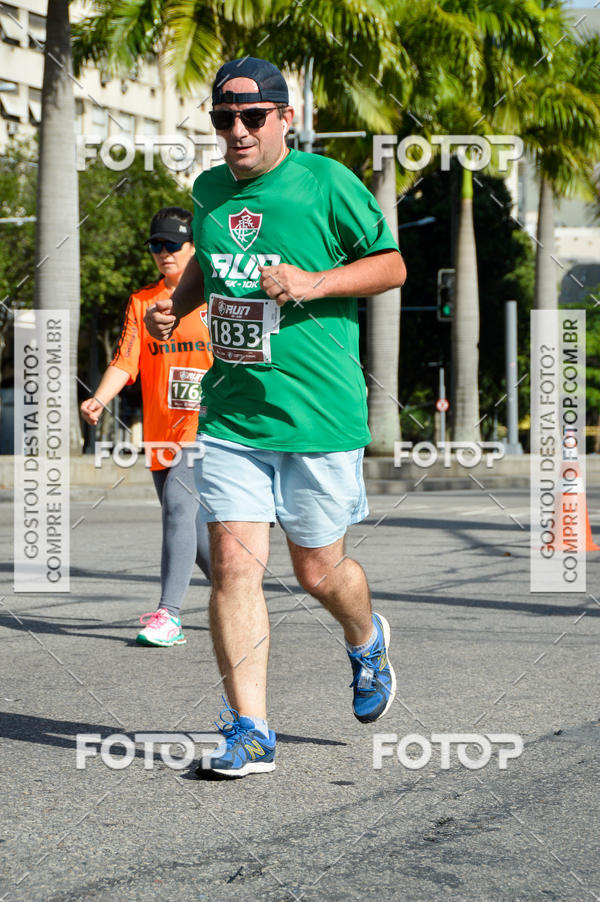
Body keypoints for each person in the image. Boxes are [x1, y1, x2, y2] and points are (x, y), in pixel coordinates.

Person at [145, 58, 407, 777]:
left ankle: (364, 639)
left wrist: (311, 282)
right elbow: (211, 261)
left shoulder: (327, 184)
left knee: (320, 571)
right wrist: (181, 304)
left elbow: (391, 266)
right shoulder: (207, 192)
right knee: (232, 566)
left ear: (285, 118)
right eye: (223, 119)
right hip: (232, 414)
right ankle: (250, 729)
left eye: (252, 117)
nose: (237, 131)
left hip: (318, 417)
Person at [81, 207, 212, 647]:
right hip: (162, 433)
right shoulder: (142, 302)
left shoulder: (213, 296)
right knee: (192, 535)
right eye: (156, 245)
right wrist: (99, 399)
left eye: (172, 244)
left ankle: (168, 616)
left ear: (193, 247)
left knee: (178, 508)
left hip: (205, 428)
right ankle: (239, 591)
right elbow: (125, 360)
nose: (163, 253)